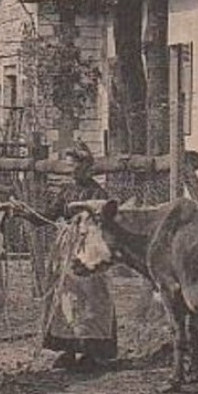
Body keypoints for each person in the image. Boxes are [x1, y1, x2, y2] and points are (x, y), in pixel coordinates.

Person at [39, 143, 117, 370]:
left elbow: (105, 222)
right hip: (67, 250)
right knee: (66, 296)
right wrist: (24, 212)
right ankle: (69, 349)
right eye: (70, 166)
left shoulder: (98, 194)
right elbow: (49, 215)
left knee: (92, 297)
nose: (73, 171)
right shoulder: (66, 191)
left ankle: (93, 352)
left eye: (76, 166)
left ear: (87, 167)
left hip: (90, 250)